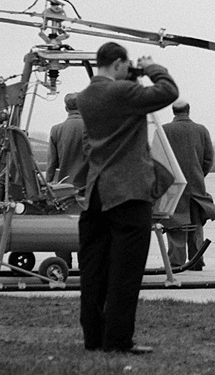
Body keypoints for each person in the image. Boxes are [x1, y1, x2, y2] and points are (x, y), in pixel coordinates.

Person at [73, 42, 179, 354]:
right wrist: (150, 67)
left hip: (96, 193)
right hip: (128, 192)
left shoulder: (85, 96)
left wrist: (132, 77)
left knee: (94, 270)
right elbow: (168, 91)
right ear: (119, 64)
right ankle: (117, 340)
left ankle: (93, 337)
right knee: (126, 271)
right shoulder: (121, 93)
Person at [162, 100, 215, 270]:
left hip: (172, 185)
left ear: (173, 112)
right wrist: (198, 175)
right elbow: (208, 158)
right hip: (195, 185)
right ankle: (196, 261)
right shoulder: (201, 130)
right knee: (196, 224)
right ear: (188, 110)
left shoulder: (164, 130)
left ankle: (176, 261)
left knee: (175, 224)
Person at [46, 92, 86, 190]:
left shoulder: (56, 130)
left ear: (66, 109)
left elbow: (52, 163)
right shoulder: (92, 128)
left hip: (64, 189)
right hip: (86, 188)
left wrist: (48, 182)